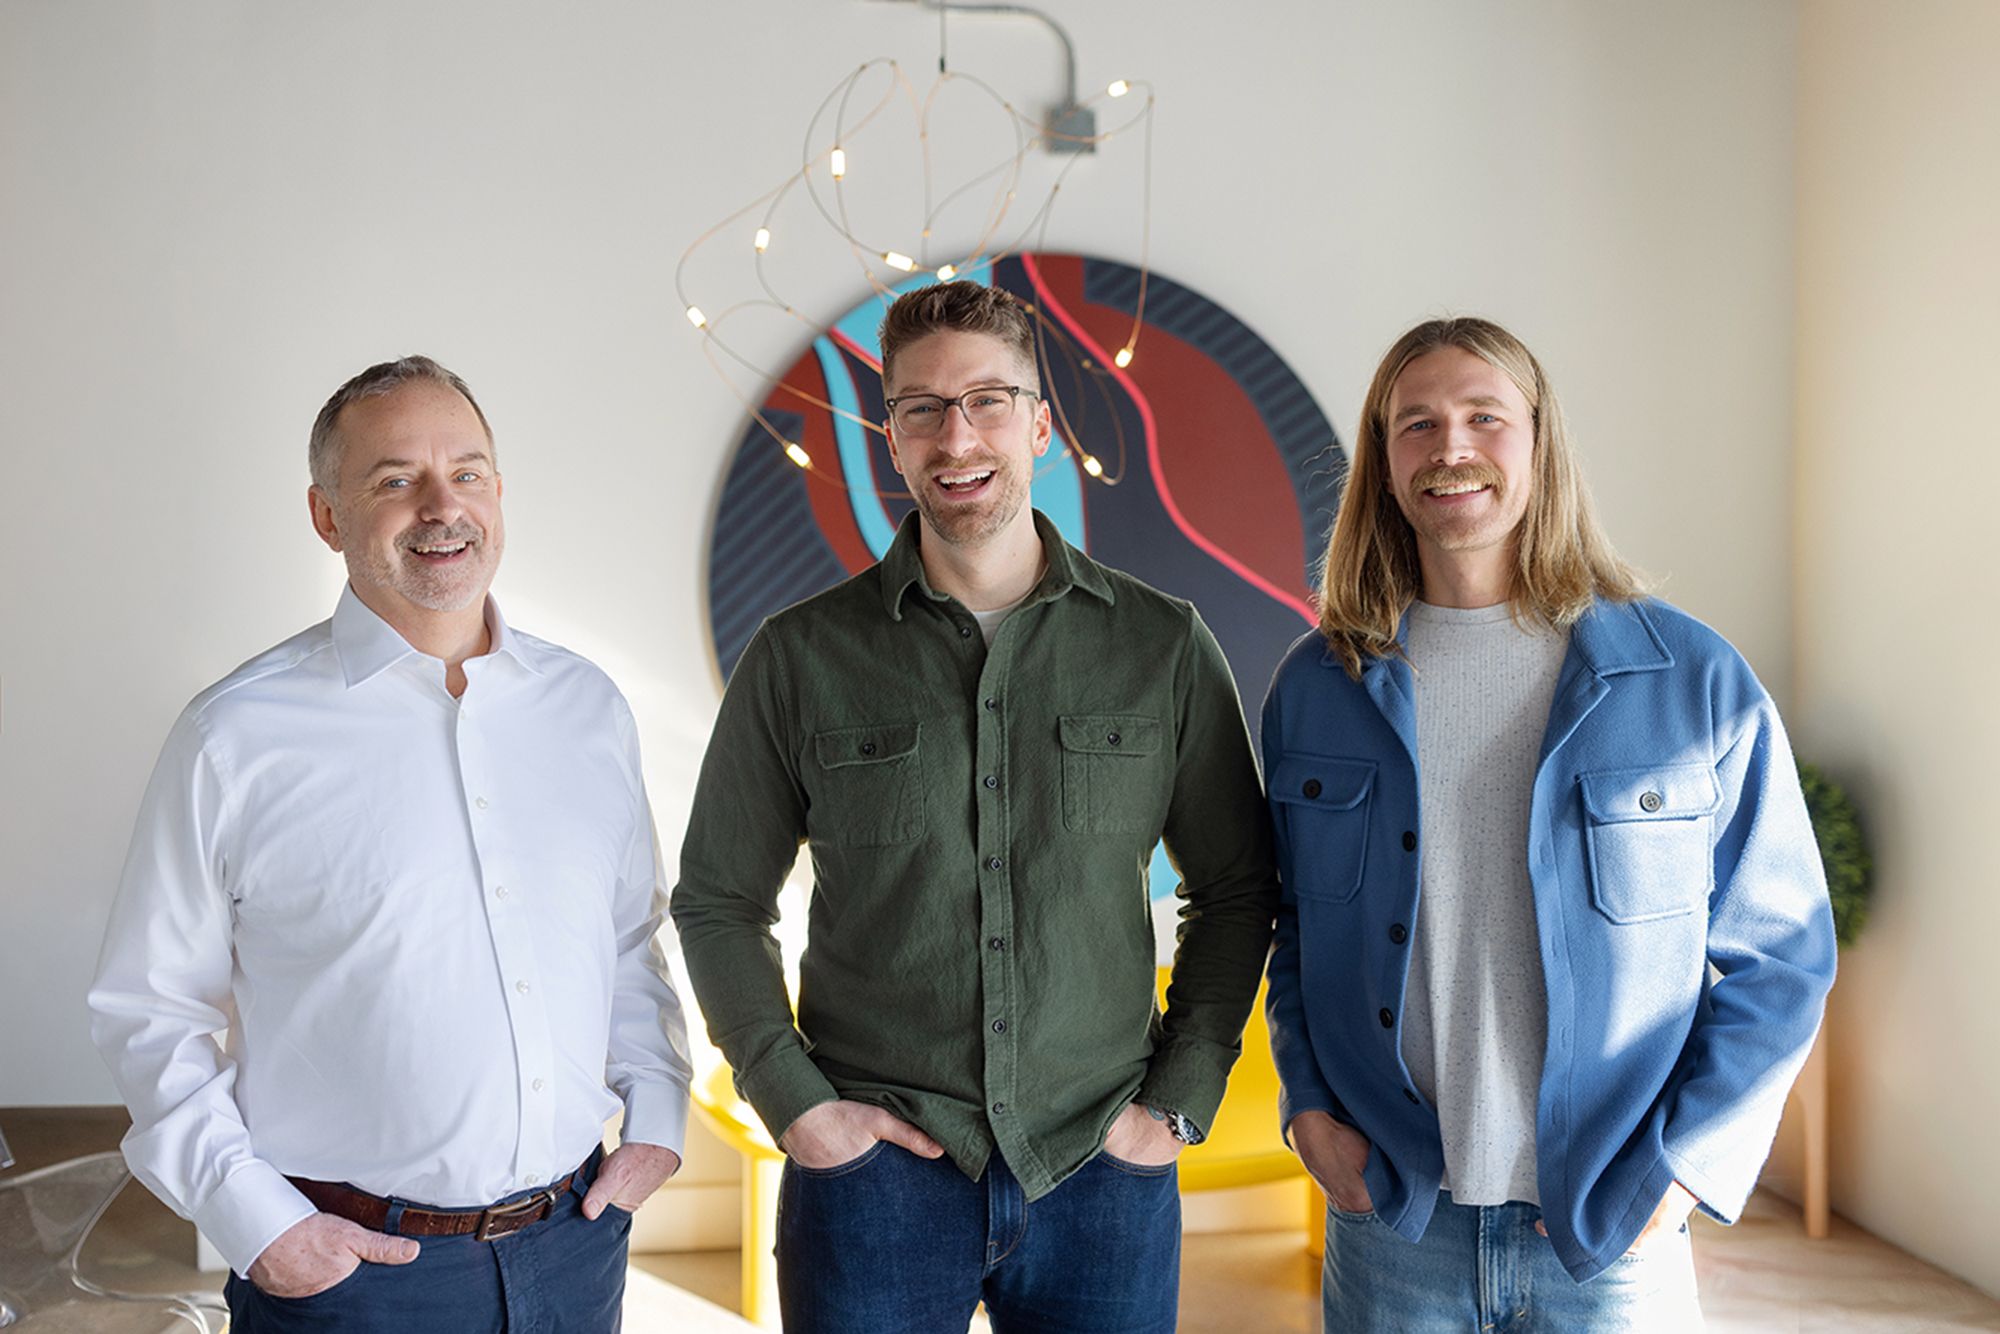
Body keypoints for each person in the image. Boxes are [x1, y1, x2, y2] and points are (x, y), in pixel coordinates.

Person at [671, 281, 1277, 1332]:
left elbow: (1234, 890)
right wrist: (797, 1106)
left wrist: (1172, 1104)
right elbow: (717, 899)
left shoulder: (1161, 644)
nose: (957, 435)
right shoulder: (799, 655)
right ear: (890, 443)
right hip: (874, 1179)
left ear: (1040, 426)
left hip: (1101, 1166)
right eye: (921, 409)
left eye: (989, 400)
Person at [89, 355, 693, 1332]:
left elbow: (626, 936)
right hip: (353, 1274)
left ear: (499, 490)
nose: (440, 505)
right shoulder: (232, 736)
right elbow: (147, 1008)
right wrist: (262, 1225)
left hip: (575, 1248)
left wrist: (657, 1115)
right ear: (327, 517)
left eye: (468, 471)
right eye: (393, 479)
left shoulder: (587, 708)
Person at [1263, 317, 1836, 1330]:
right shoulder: (1317, 686)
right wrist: (1307, 1105)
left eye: (1484, 416)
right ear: (1382, 460)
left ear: (1538, 443)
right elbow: (1293, 926)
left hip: (1612, 1229)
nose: (1450, 446)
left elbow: (1782, 953)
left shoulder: (1691, 679)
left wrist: (1685, 1165)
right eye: (1416, 423)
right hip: (1396, 1218)